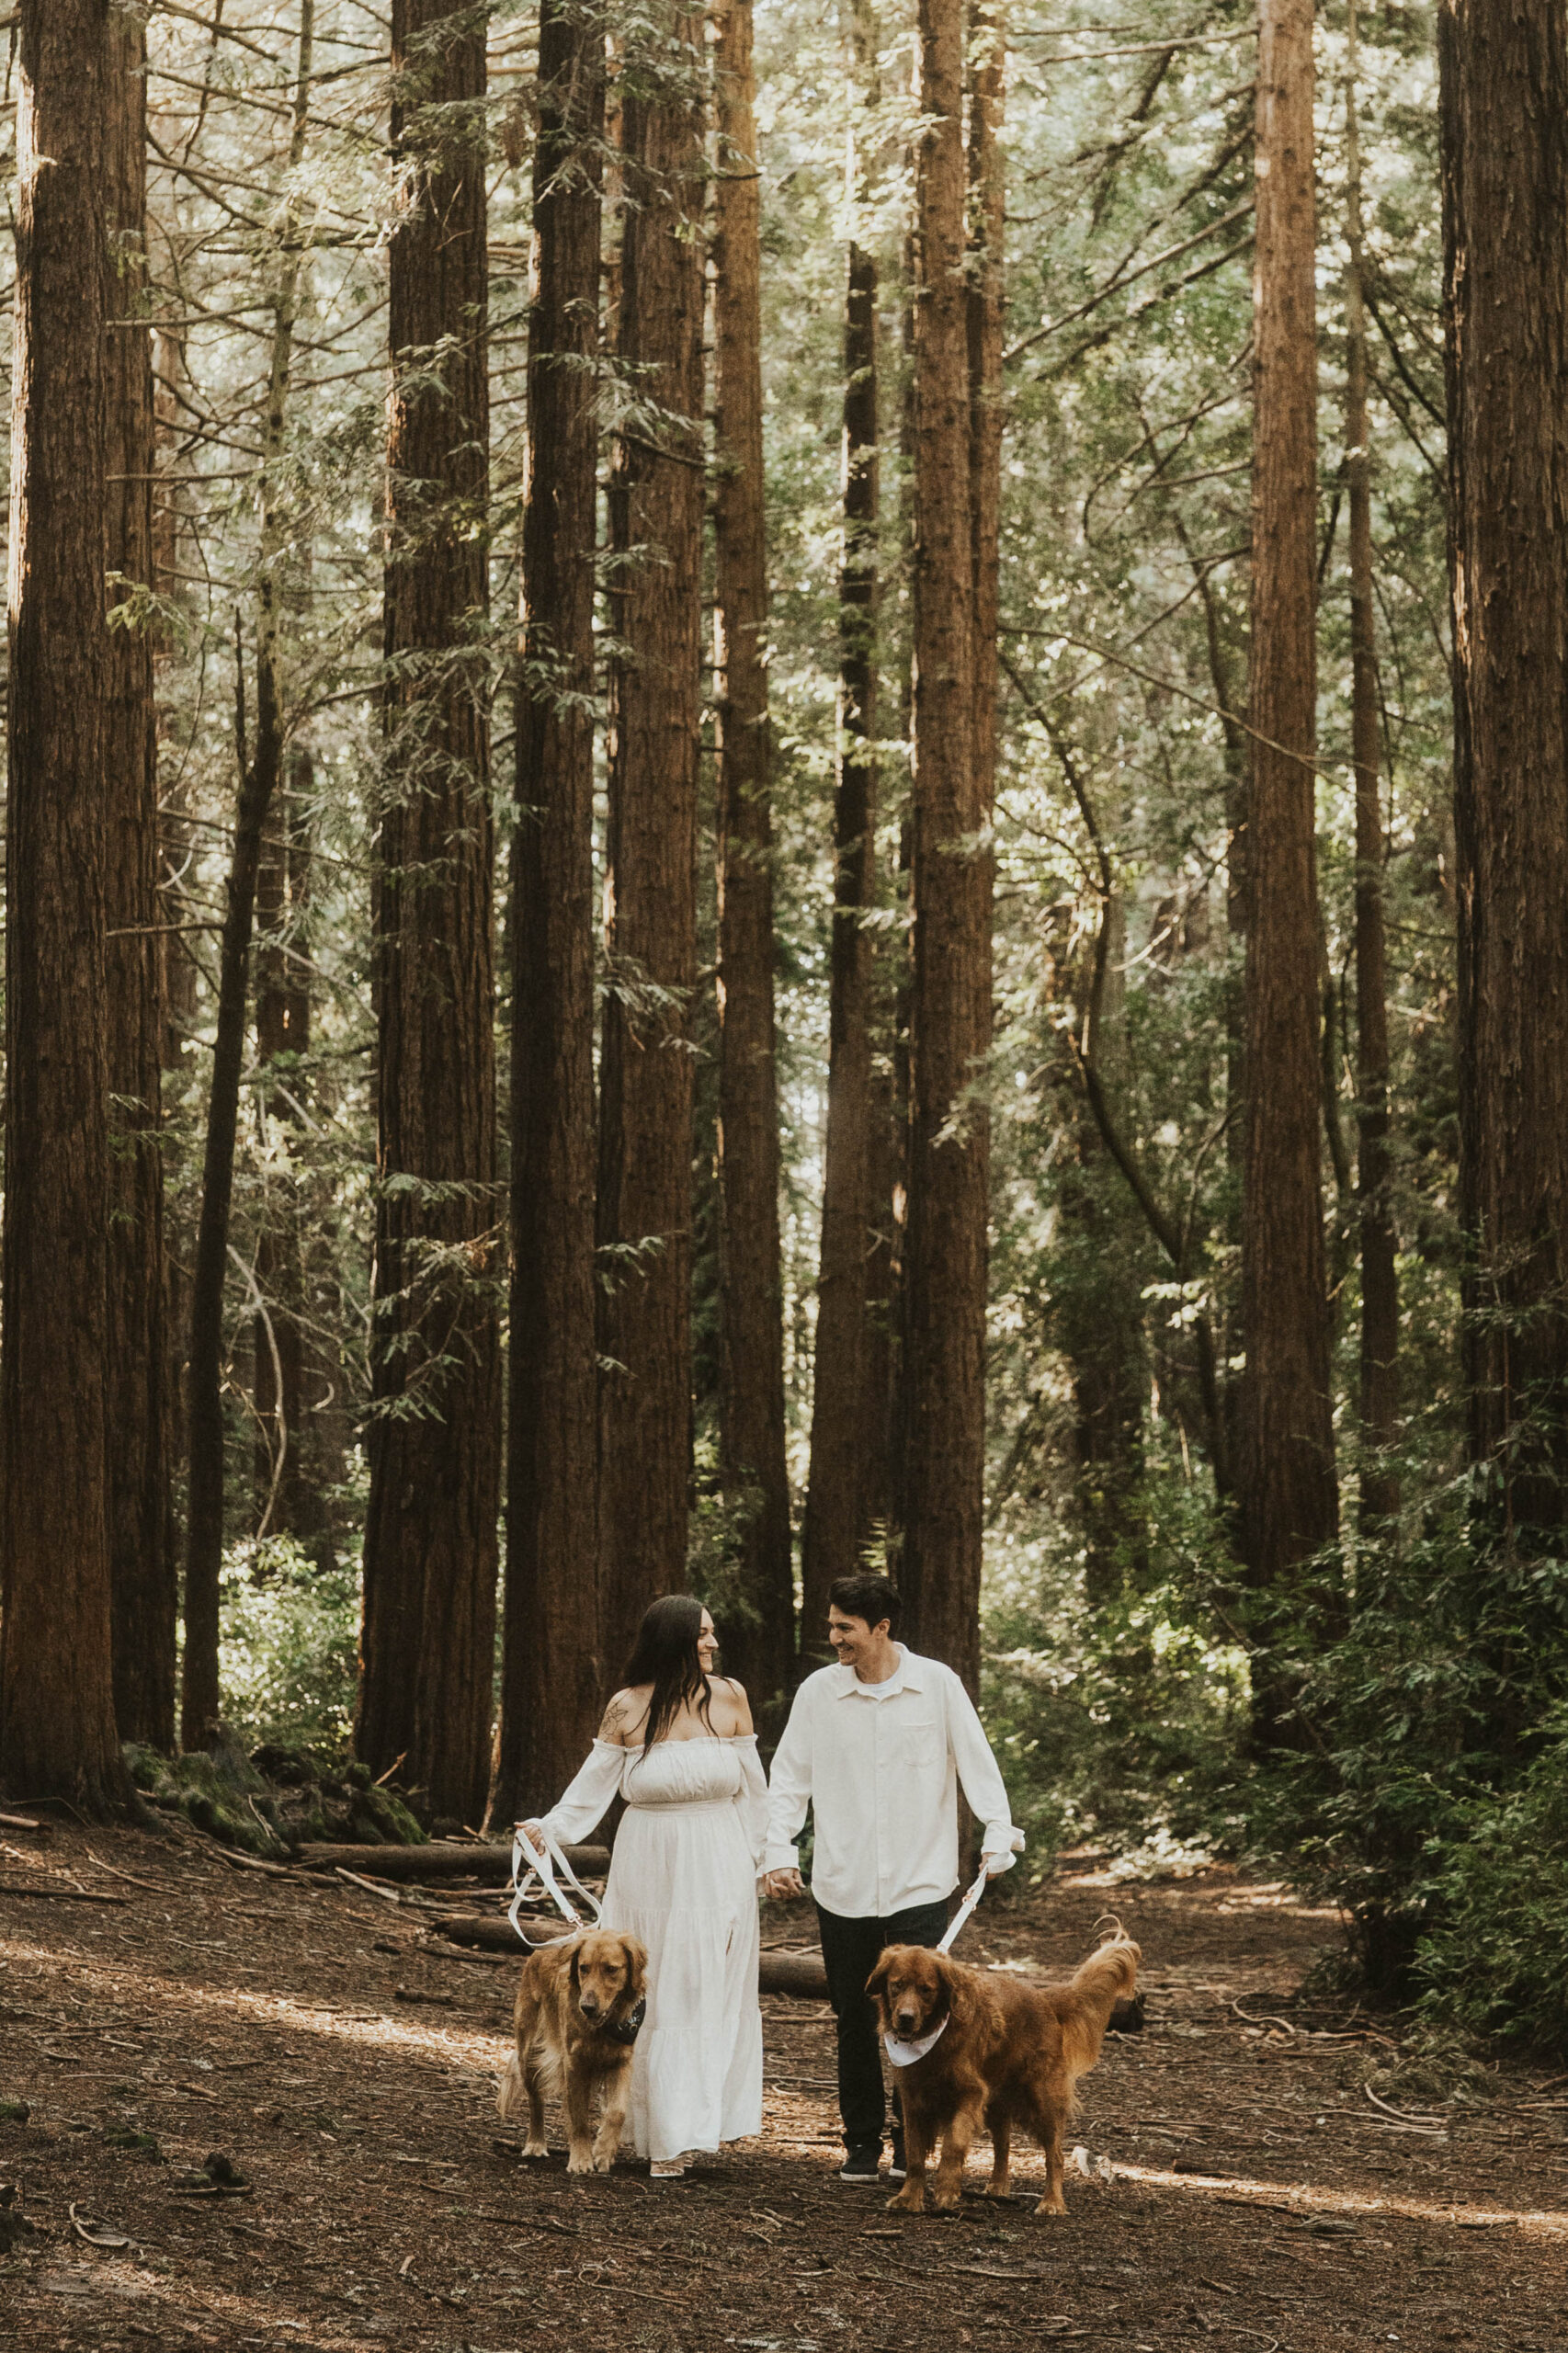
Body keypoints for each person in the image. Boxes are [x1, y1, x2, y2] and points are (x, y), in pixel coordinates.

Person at [763, 1572, 1024, 2186]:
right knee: (855, 2018)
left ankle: (915, 2144)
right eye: (830, 1626)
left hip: (921, 1883)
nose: (834, 1639)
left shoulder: (936, 1684)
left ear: (882, 1628)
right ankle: (860, 2143)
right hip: (842, 1883)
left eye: (845, 1628)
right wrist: (778, 1849)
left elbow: (977, 1761)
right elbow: (788, 1779)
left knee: (929, 2023)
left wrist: (997, 1829)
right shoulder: (818, 1694)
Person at [520, 1595, 766, 2180]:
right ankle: (647, 2134)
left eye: (713, 1634)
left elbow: (755, 1792)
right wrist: (549, 1829)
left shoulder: (730, 1697)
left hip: (718, 1862)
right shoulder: (627, 1707)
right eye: (702, 1635)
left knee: (701, 1988)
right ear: (674, 1640)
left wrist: (768, 1860)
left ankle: (688, 2128)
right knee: (647, 1993)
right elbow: (592, 1785)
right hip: (649, 1861)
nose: (712, 1644)